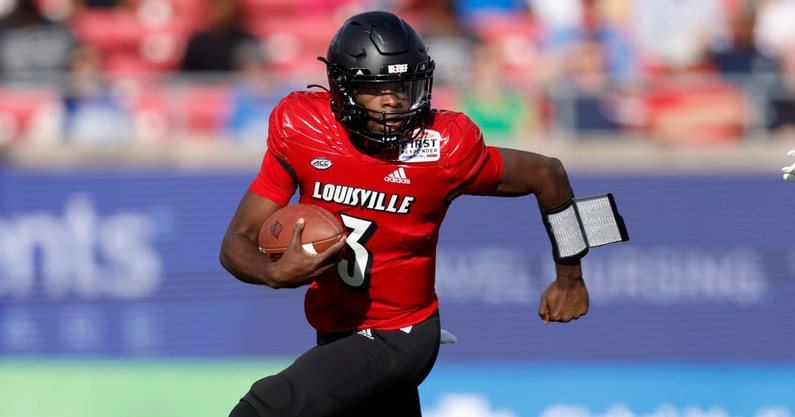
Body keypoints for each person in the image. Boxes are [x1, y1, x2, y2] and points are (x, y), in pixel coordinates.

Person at [219, 10, 613, 417]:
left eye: (404, 85)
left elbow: (550, 173)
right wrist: (270, 273)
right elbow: (236, 243)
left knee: (265, 406)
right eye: (379, 87)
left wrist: (572, 277)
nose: (395, 99)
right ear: (342, 88)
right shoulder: (304, 129)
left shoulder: (441, 147)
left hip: (401, 333)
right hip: (335, 328)